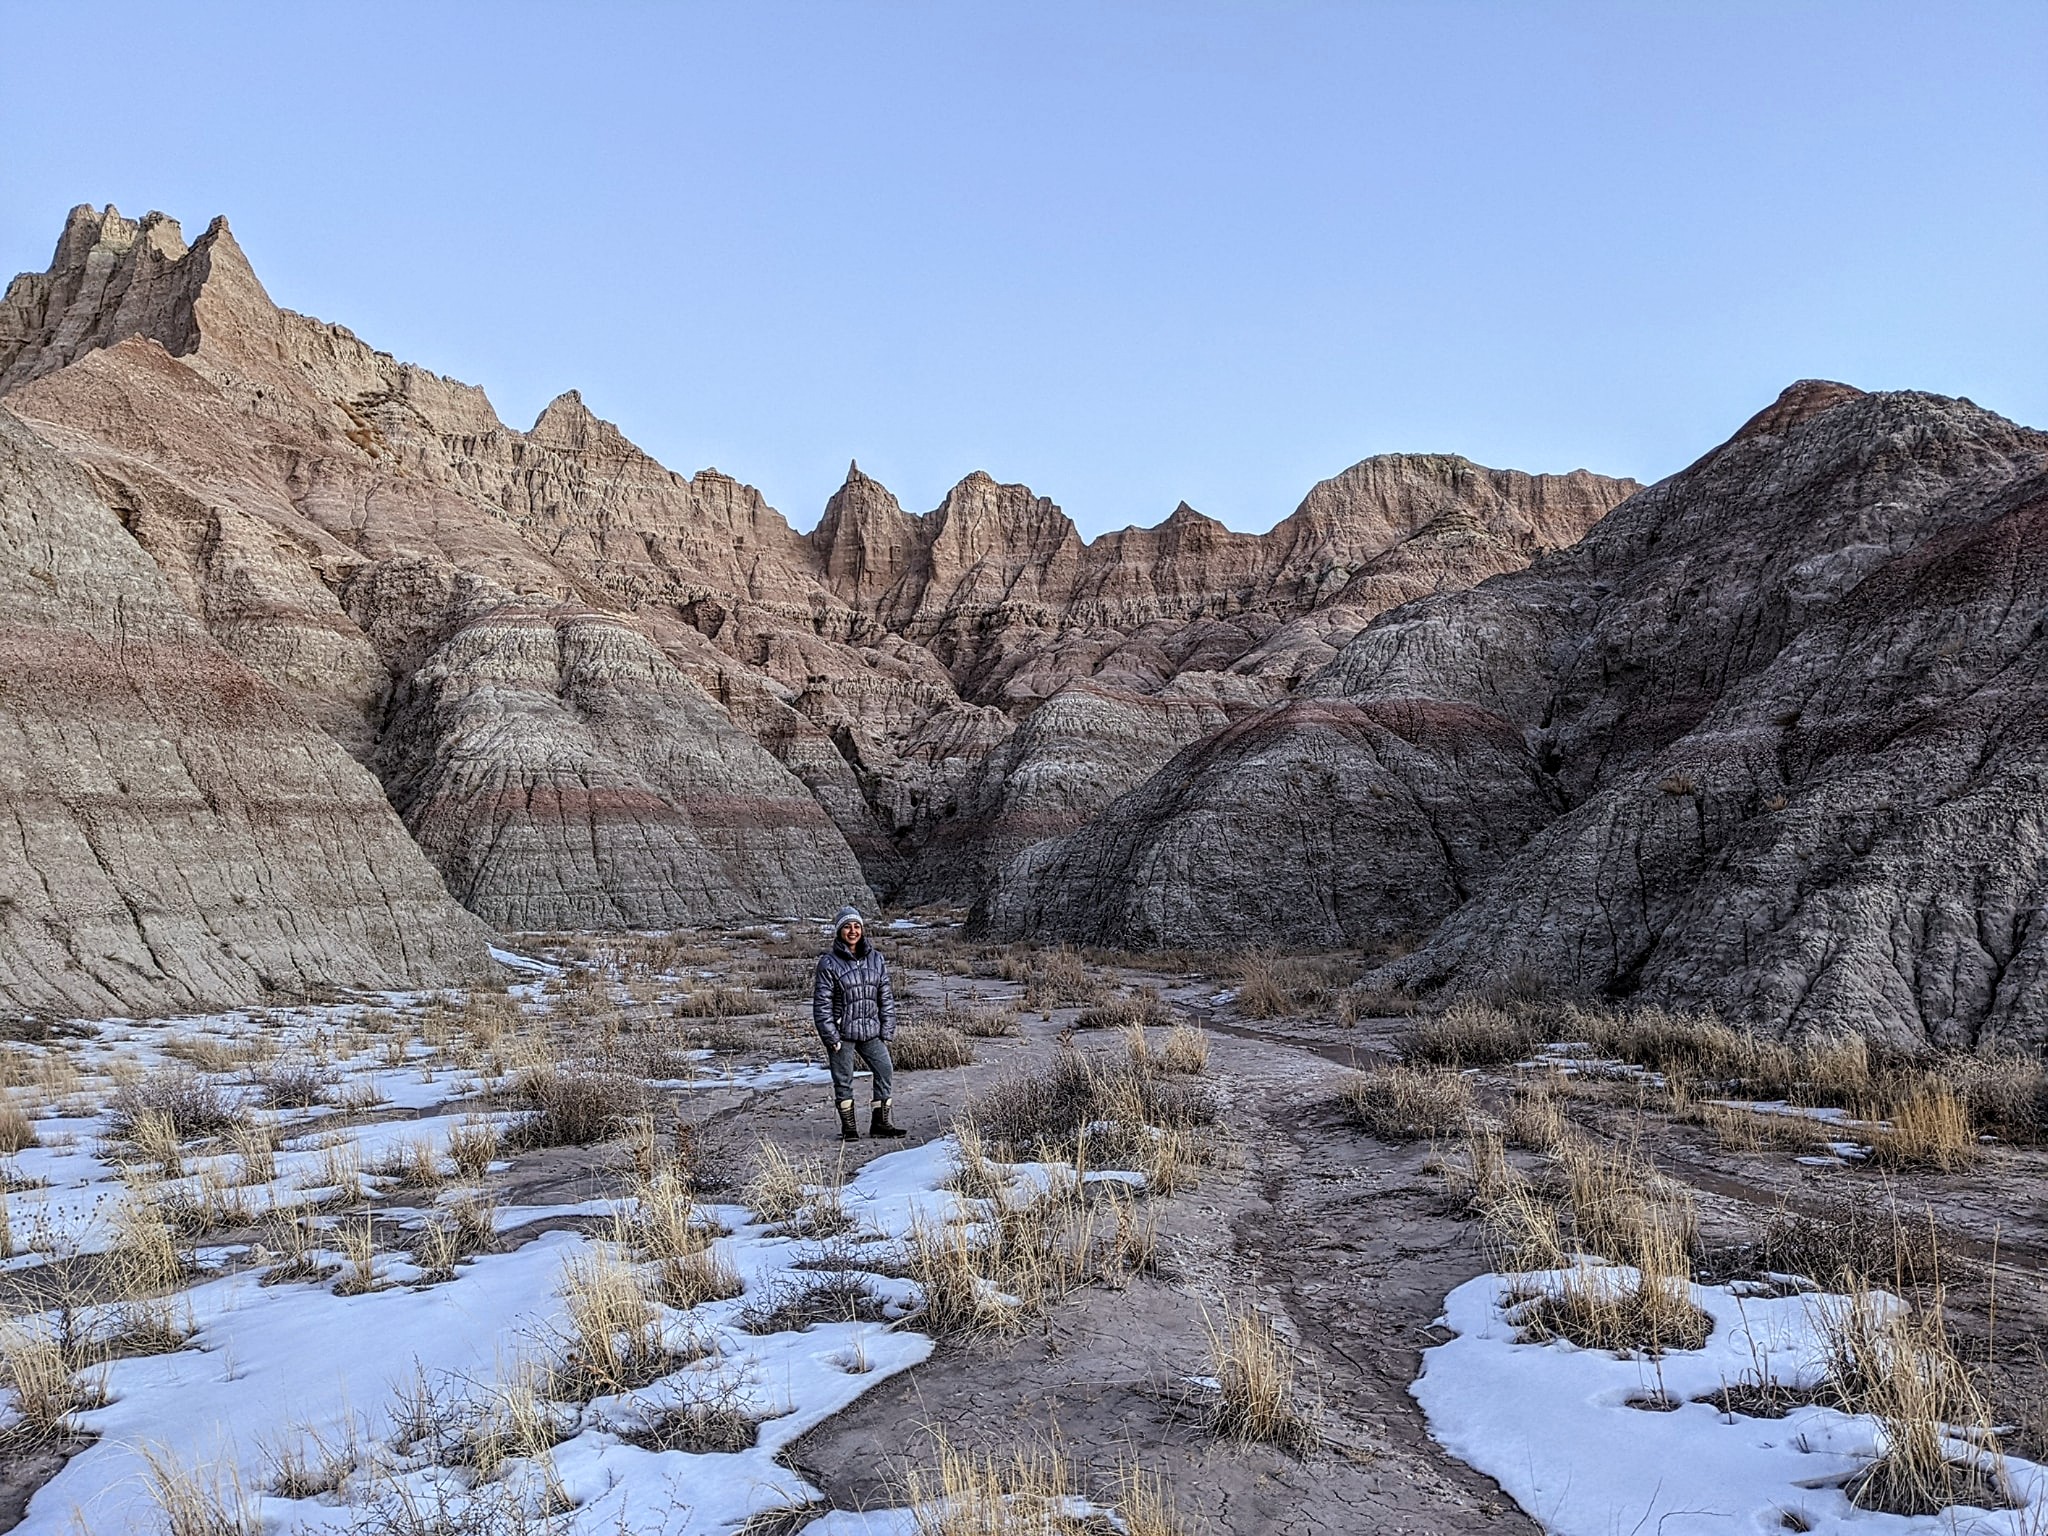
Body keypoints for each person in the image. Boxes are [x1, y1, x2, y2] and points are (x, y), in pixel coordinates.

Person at [812, 906, 907, 1141]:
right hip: (842, 1033)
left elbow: (885, 996)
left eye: (856, 926)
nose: (852, 931)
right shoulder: (829, 963)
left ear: (862, 929)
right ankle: (849, 1129)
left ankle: (881, 1124)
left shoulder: (876, 959)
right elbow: (821, 1003)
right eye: (847, 926)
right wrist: (830, 1036)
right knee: (844, 1079)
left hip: (870, 1030)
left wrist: (887, 1029)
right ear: (839, 931)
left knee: (884, 1069)